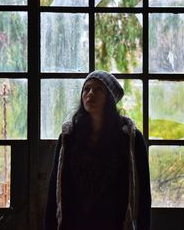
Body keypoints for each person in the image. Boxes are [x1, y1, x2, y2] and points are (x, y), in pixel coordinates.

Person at [44, 70, 151, 230]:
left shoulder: (131, 139)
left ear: (110, 98)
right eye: (86, 89)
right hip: (75, 223)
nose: (90, 93)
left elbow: (143, 192)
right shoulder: (69, 137)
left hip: (114, 223)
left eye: (98, 89)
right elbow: (55, 188)